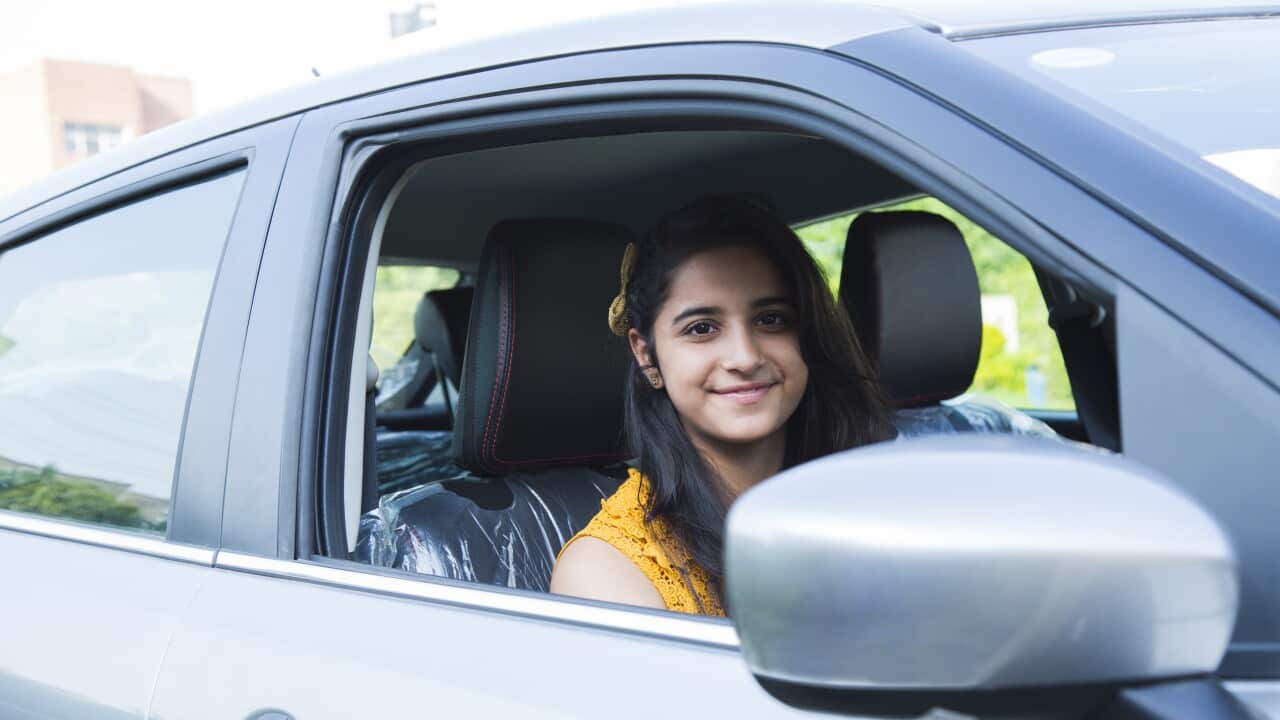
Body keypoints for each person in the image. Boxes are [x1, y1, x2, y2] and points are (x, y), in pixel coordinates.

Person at [550, 195, 895, 616]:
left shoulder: (871, 500)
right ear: (645, 354)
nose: (745, 357)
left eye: (771, 319)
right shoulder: (606, 573)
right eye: (701, 328)